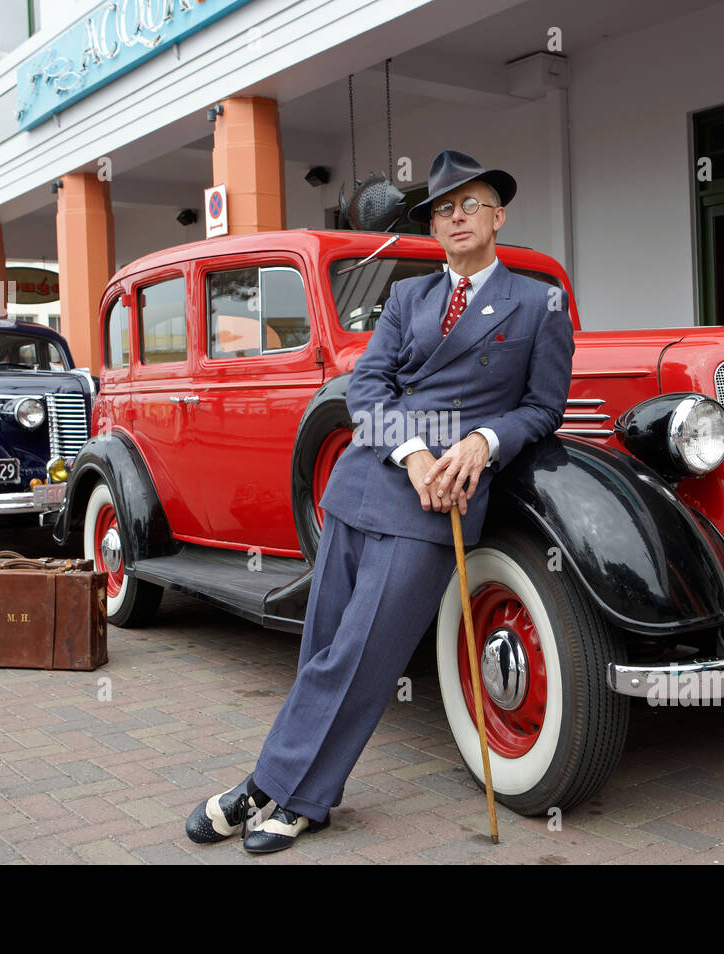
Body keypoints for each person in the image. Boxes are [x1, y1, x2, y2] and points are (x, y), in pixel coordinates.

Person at [185, 149, 575, 853]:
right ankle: (303, 793)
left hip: (435, 507)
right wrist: (413, 451)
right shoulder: (408, 298)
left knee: (361, 657)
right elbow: (366, 391)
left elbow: (544, 407)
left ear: (499, 217)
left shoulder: (537, 303)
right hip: (367, 482)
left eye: (472, 205)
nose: (457, 217)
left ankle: (264, 787)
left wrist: (485, 440)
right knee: (322, 648)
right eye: (445, 208)